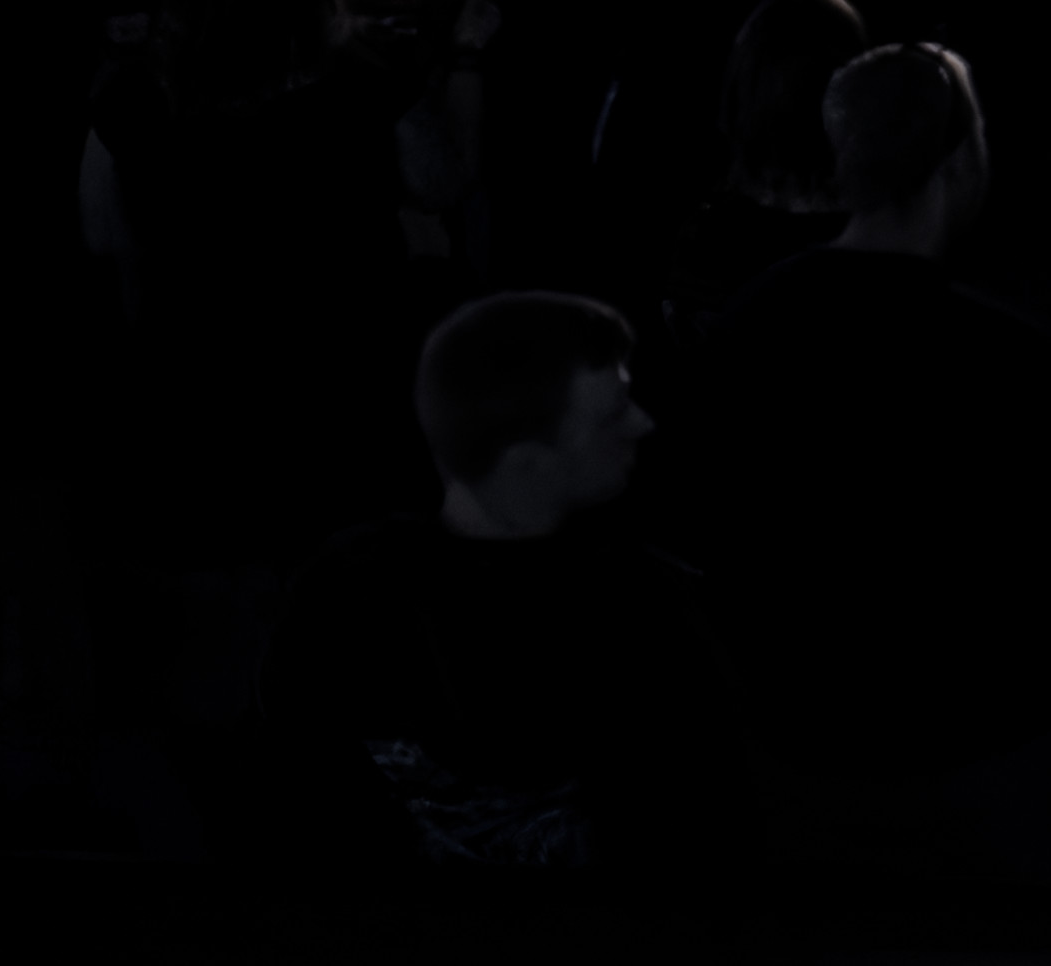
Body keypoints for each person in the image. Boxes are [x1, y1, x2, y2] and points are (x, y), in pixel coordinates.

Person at [671, 44, 1051, 868]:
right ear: (960, 160)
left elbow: (702, 531)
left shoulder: (750, 325)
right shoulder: (1005, 357)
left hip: (798, 744)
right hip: (979, 739)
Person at [266, 290, 737, 866]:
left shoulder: (339, 588)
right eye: (610, 414)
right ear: (526, 457)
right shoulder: (643, 604)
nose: (642, 423)